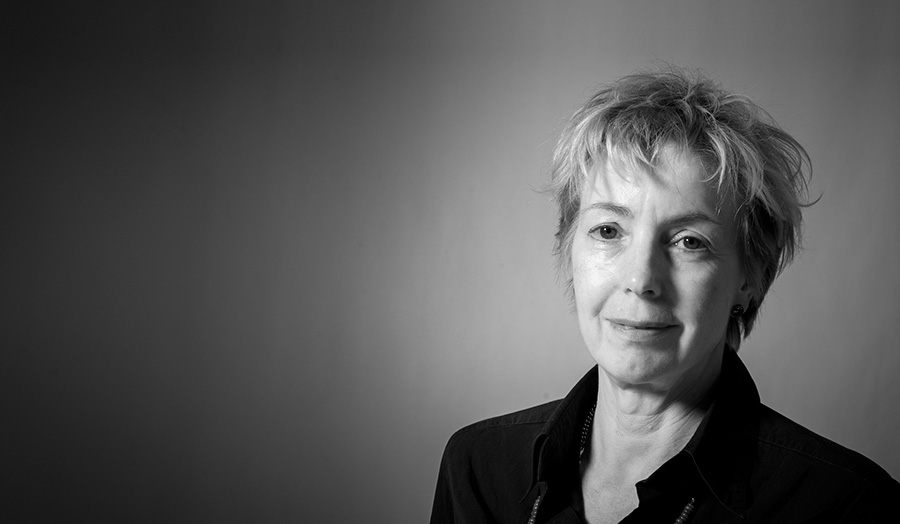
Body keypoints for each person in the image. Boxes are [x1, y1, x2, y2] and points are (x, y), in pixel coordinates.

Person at [430, 68, 900, 523]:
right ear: (567, 248)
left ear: (750, 276)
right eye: (608, 230)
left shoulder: (846, 507)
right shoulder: (478, 469)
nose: (641, 279)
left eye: (688, 241)